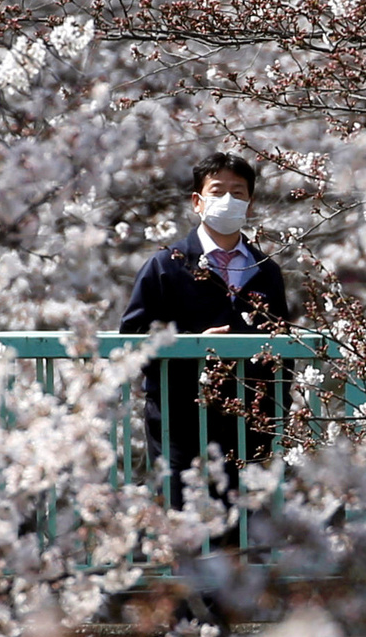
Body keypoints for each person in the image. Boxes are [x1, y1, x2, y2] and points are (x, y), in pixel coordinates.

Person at [120, 152, 290, 510]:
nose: (229, 200)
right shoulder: (167, 265)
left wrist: (278, 411)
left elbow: (282, 346)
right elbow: (132, 336)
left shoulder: (266, 270)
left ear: (250, 203)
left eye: (239, 193)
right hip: (180, 418)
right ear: (197, 201)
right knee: (186, 522)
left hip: (248, 421)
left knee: (243, 532)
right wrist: (190, 347)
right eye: (218, 191)